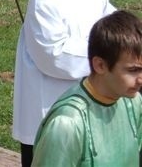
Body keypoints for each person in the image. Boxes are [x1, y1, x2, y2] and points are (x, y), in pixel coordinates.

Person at [12, 0, 116, 166]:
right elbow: (54, 56)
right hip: (48, 104)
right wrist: (104, 58)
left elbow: (111, 22)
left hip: (86, 99)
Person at [32, 10, 142, 166]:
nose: (140, 79)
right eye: (133, 70)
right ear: (100, 65)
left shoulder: (134, 103)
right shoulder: (67, 124)